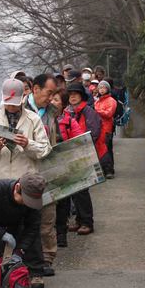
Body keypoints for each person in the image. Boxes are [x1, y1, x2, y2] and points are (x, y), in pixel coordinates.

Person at [0, 77, 52, 288]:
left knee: (30, 225)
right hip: (1, 182)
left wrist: (28, 144)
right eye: (8, 102)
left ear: (23, 97)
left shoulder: (32, 120)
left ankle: (35, 272)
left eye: (15, 102)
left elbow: (45, 149)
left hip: (25, 181)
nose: (11, 106)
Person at [25, 73, 59, 276]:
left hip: (48, 169)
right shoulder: (20, 110)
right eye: (49, 92)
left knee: (48, 218)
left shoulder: (53, 112)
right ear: (35, 89)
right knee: (27, 219)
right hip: (27, 169)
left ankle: (47, 258)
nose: (51, 97)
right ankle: (26, 260)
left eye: (54, 93)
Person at [65, 82, 102, 235]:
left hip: (84, 153)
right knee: (75, 189)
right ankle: (80, 220)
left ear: (82, 96)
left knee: (82, 190)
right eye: (70, 94)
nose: (73, 96)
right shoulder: (68, 112)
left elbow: (94, 133)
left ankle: (87, 222)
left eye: (76, 93)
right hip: (71, 155)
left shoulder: (88, 111)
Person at [51, 88, 85, 247]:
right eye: (51, 99)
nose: (52, 102)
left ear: (63, 104)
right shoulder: (41, 119)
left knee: (63, 203)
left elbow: (79, 143)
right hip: (46, 168)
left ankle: (61, 234)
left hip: (64, 167)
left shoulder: (70, 121)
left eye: (56, 100)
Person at [94, 80, 117, 178]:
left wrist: (97, 111)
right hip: (98, 128)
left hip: (107, 129)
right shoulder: (97, 101)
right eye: (100, 87)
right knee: (100, 149)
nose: (102, 89)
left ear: (108, 89)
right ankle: (104, 169)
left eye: (104, 87)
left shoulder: (111, 101)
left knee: (107, 149)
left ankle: (109, 170)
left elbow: (109, 114)